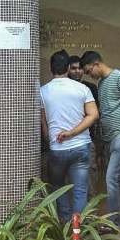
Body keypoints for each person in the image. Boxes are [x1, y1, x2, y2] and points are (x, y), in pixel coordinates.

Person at [80, 51, 120, 240]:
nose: (89, 75)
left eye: (89, 71)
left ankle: (112, 225)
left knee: (111, 178)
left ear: (96, 63)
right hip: (109, 138)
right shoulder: (102, 83)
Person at [40, 50, 98, 220]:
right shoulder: (82, 88)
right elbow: (93, 115)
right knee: (80, 191)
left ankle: (65, 226)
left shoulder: (42, 91)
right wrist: (72, 132)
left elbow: (43, 122)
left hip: (57, 149)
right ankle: (77, 230)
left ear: (51, 69)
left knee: (59, 189)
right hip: (81, 146)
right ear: (67, 68)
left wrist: (51, 141)